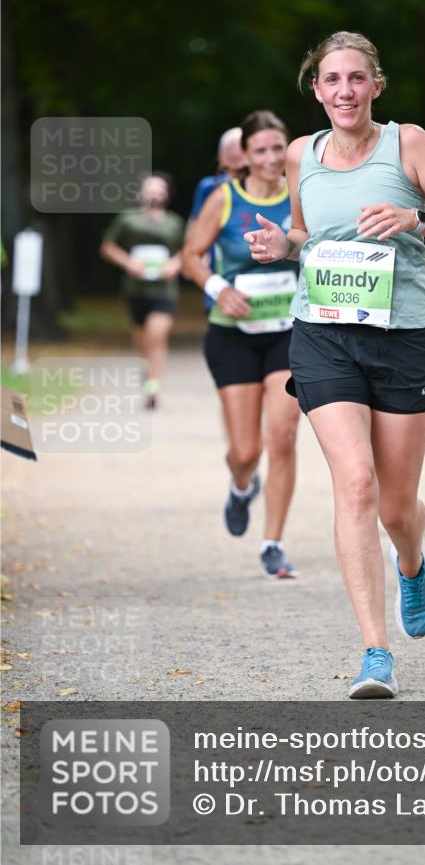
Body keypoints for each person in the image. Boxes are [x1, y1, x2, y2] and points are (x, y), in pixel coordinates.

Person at [244, 31, 425, 698]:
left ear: (375, 86)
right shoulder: (301, 155)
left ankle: (411, 563)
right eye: (331, 80)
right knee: (355, 483)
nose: (344, 91)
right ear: (315, 89)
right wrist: (278, 244)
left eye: (356, 79)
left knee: (397, 504)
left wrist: (415, 220)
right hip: (323, 334)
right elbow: (304, 235)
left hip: (402, 335)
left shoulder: (408, 143)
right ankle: (375, 652)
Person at [182, 110, 300, 579]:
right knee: (247, 450)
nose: (272, 158)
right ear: (244, 157)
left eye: (278, 148)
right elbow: (190, 256)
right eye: (261, 150)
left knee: (284, 436)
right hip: (233, 335)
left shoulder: (302, 193)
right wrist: (218, 289)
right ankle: (240, 483)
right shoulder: (224, 198)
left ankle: (273, 543)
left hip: (290, 332)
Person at [100, 174, 185, 409]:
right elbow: (108, 247)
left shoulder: (174, 223)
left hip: (165, 290)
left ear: (167, 194)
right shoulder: (128, 220)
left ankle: (153, 385)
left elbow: (187, 250)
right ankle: (147, 368)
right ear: (140, 193)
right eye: (150, 189)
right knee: (142, 337)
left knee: (157, 335)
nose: (154, 194)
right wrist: (129, 263)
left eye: (159, 190)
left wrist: (174, 265)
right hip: (136, 289)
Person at [187, 127, 247, 311]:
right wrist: (194, 259)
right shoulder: (209, 187)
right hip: (218, 266)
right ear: (221, 160)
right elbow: (194, 225)